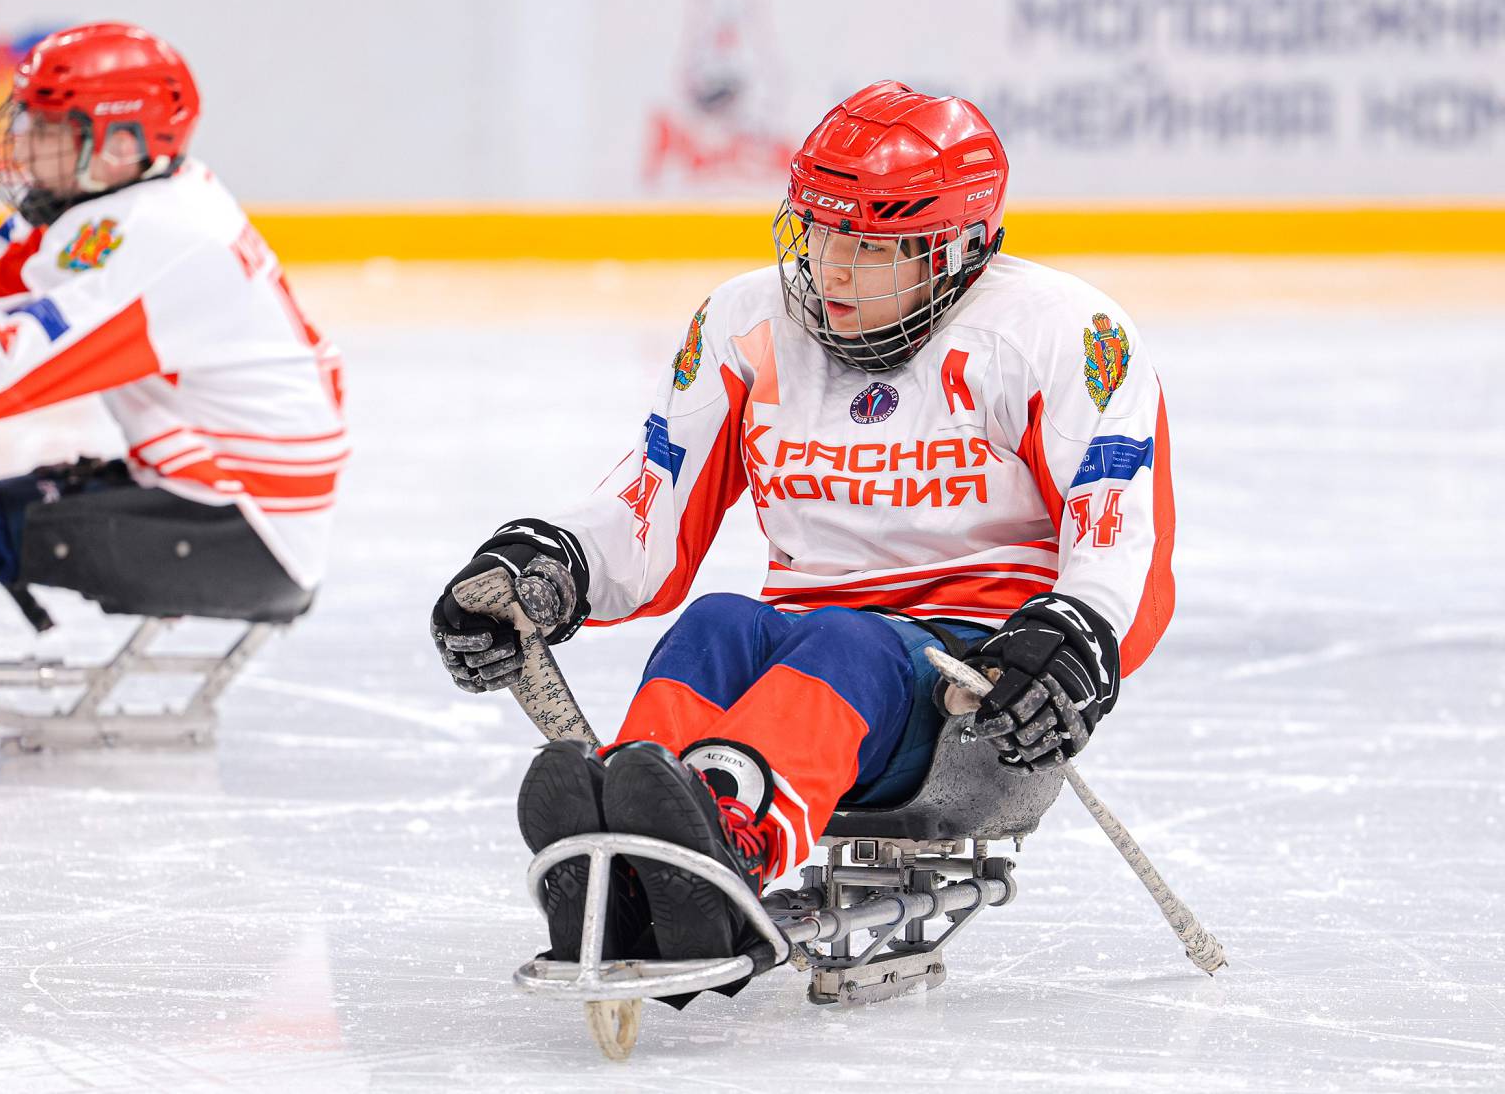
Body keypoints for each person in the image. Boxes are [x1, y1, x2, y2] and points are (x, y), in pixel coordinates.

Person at [433, 81, 1173, 1001]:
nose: (832, 270)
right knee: (717, 624)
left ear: (956, 250)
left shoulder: (1061, 332)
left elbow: (1118, 527)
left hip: (971, 691)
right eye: (820, 233)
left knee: (847, 639)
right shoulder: (746, 324)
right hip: (807, 652)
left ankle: (730, 845)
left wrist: (1077, 637)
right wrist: (551, 566)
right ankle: (633, 839)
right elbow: (651, 507)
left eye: (871, 246)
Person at [0, 23, 345, 640]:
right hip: (220, 501)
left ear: (121, 143)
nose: (24, 148)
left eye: (50, 130)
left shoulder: (163, 239)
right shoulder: (116, 199)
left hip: (243, 534)